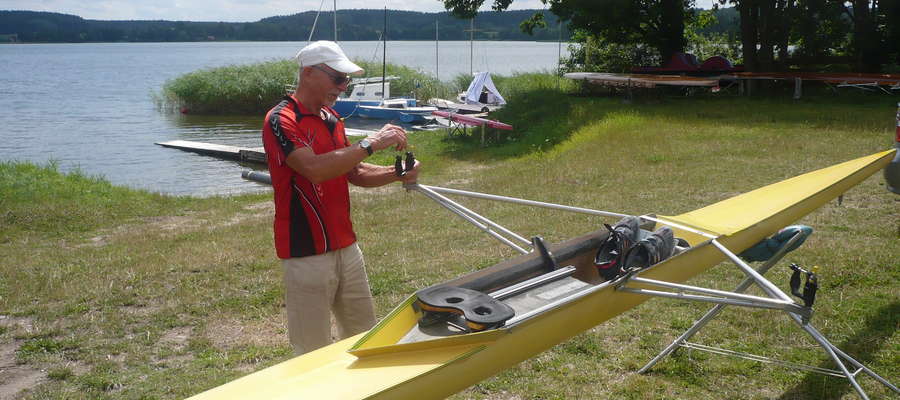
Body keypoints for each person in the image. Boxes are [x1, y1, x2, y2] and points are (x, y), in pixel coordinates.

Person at [261, 40, 419, 355]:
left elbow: (353, 171)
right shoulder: (281, 119)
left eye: (347, 80)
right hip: (305, 251)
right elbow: (314, 169)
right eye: (338, 79)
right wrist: (372, 142)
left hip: (346, 247)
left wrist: (398, 173)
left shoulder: (332, 118)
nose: (343, 87)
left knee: (364, 339)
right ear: (308, 73)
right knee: (312, 351)